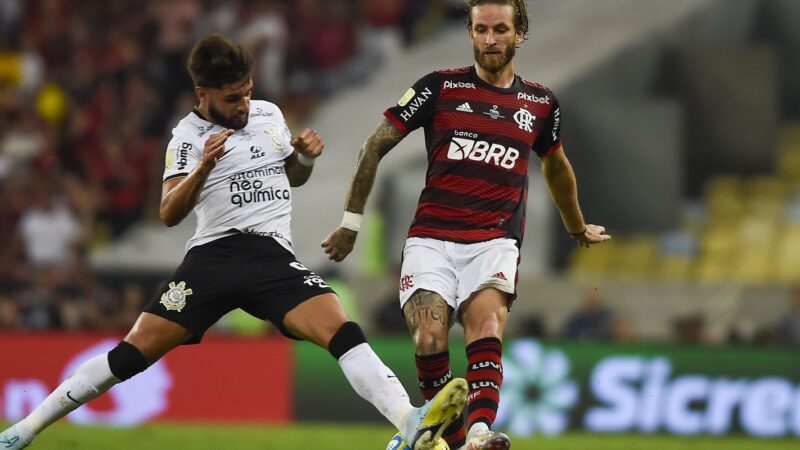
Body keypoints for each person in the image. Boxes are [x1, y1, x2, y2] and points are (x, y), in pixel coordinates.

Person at [0, 34, 467, 450]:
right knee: (130, 354)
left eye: (246, 91)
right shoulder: (186, 138)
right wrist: (202, 168)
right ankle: (27, 428)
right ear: (203, 95)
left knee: (342, 329)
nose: (244, 103)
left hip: (271, 257)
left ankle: (409, 423)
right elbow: (167, 213)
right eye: (231, 98)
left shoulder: (268, 114)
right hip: (214, 257)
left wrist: (302, 159)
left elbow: (292, 178)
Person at [322, 2, 610, 449]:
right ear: (469, 32)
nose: (490, 39)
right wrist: (350, 222)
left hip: (494, 239)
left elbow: (557, 167)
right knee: (429, 337)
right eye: (480, 29)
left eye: (499, 30)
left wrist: (576, 227)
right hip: (431, 238)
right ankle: (456, 442)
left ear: (520, 33)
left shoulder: (539, 103)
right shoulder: (439, 87)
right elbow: (375, 144)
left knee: (486, 326)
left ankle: (479, 432)